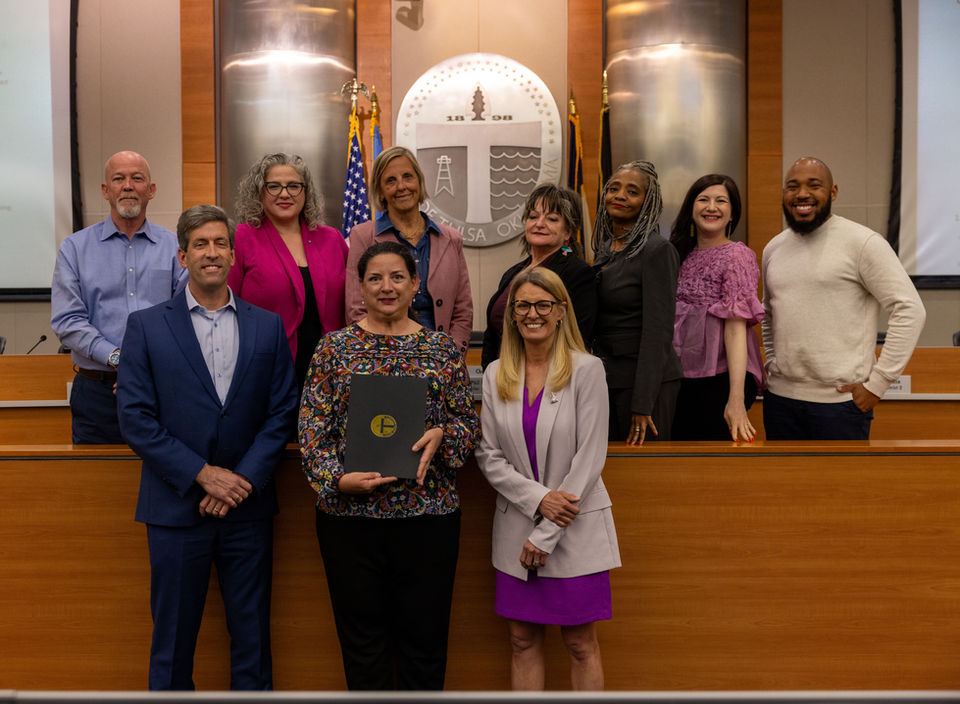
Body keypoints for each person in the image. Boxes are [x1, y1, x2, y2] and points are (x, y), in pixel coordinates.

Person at [116, 205, 298, 690]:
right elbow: (135, 418)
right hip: (176, 509)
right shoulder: (146, 327)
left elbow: (282, 412)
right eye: (200, 244)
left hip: (247, 509)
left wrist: (238, 481)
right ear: (182, 256)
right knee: (172, 643)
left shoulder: (267, 327)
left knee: (252, 641)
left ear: (234, 256)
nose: (212, 253)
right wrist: (204, 474)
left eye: (220, 243)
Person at [299, 241, 480, 690]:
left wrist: (445, 435)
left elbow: (466, 425)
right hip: (351, 522)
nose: (387, 287)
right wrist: (337, 479)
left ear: (415, 284)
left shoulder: (441, 351)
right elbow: (311, 432)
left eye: (397, 276)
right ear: (360, 286)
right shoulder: (333, 350)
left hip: (428, 520)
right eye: (375, 278)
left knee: (425, 645)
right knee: (363, 646)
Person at [475, 267, 620, 691]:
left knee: (579, 642)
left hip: (573, 529)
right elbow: (488, 454)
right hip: (517, 527)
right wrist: (539, 501)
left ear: (561, 311)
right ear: (512, 315)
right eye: (523, 305)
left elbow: (590, 457)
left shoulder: (587, 370)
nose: (532, 313)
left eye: (543, 304)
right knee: (521, 640)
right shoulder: (494, 374)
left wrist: (548, 530)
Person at [762, 157, 926, 440]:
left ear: (833, 192)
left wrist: (878, 384)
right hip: (779, 402)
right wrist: (772, 365)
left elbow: (910, 310)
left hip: (840, 408)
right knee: (785, 486)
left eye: (814, 185)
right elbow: (769, 315)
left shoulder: (863, 243)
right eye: (793, 186)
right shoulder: (773, 249)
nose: (802, 194)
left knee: (839, 487)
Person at [51, 150, 185, 444]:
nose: (127, 185)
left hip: (160, 387)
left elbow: (185, 315)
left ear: (151, 190)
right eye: (118, 178)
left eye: (137, 179)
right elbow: (67, 320)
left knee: (162, 480)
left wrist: (145, 366)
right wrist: (118, 359)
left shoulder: (175, 248)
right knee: (96, 485)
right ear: (105, 190)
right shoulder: (74, 249)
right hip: (97, 393)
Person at [229, 152, 347, 391]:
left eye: (294, 186)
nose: (285, 194)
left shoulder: (332, 238)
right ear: (259, 191)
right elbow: (226, 305)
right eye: (273, 186)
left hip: (331, 372)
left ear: (306, 191)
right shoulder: (241, 238)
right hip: (267, 372)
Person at [345, 146, 473, 355]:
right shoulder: (363, 236)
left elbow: (463, 310)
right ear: (381, 191)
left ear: (419, 182)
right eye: (390, 181)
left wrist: (451, 356)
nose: (401, 186)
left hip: (440, 357)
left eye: (407, 177)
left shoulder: (451, 239)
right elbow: (355, 308)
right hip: (380, 356)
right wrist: (382, 358)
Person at [592, 160, 682, 444]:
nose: (619, 196)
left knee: (645, 475)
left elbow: (658, 331)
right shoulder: (605, 249)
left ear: (648, 202)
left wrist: (643, 403)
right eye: (614, 188)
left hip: (645, 385)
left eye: (632, 191)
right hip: (610, 379)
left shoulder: (657, 251)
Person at [669, 174, 764, 442]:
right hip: (679, 375)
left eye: (721, 201)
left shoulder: (737, 255)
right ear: (691, 208)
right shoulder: (677, 253)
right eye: (703, 200)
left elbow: (736, 330)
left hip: (720, 375)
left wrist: (734, 398)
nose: (711, 207)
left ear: (733, 213)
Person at [480, 183, 596, 370]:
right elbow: (492, 336)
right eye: (533, 216)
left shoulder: (578, 273)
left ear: (567, 231)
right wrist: (490, 379)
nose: (539, 223)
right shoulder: (512, 273)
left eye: (552, 219)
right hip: (504, 379)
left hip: (551, 381)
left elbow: (577, 339)